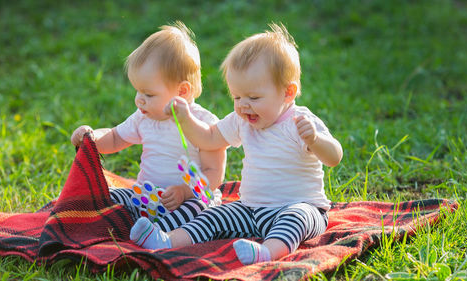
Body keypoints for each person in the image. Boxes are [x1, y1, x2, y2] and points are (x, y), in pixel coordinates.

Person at [129, 23, 343, 265]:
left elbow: (334, 157)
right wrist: (186, 117)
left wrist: (315, 140)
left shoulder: (300, 123)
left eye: (253, 97)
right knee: (214, 216)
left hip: (301, 206)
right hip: (250, 209)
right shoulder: (242, 122)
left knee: (296, 218)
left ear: (288, 93)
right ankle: (166, 240)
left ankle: (267, 252)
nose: (243, 105)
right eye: (237, 97)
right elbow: (209, 137)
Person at [70, 21, 226, 232]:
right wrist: (91, 137)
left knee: (201, 212)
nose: (138, 100)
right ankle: (114, 223)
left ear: (182, 92)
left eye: (148, 94)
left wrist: (184, 191)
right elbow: (115, 138)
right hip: (148, 196)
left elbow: (214, 174)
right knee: (109, 196)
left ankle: (158, 234)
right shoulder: (144, 118)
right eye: (137, 91)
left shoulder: (204, 124)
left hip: (190, 199)